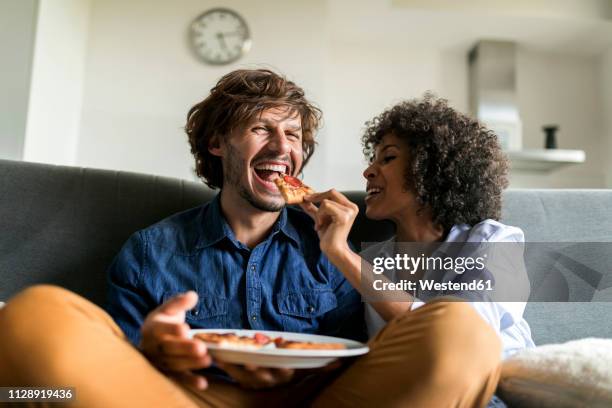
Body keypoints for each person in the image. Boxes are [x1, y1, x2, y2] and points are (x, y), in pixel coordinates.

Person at [0, 72, 501, 408]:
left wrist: (339, 253)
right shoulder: (151, 251)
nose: (284, 147)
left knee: (461, 329)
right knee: (35, 316)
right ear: (217, 144)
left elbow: (377, 355)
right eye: (262, 129)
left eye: (296, 136)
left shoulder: (337, 245)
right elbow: (111, 370)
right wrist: (153, 349)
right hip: (189, 400)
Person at [302, 94, 535, 405]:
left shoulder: (493, 241)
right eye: (373, 158)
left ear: (431, 169)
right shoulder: (371, 261)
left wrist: (343, 255)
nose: (368, 171)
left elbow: (459, 331)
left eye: (387, 158)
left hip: (485, 396)